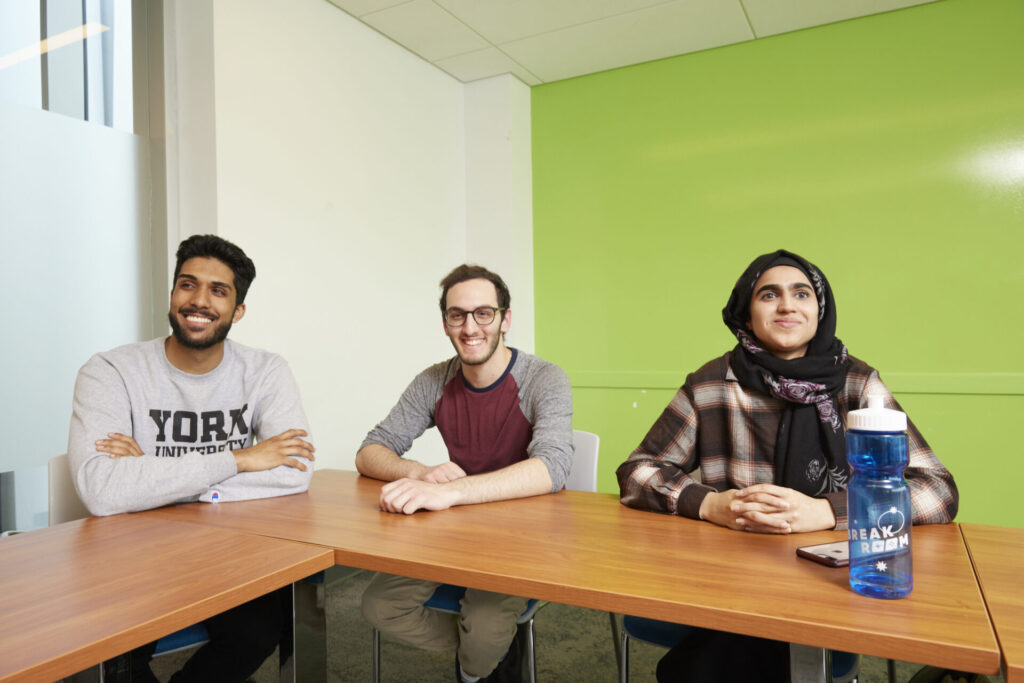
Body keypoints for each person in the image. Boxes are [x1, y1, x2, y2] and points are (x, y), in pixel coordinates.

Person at [616, 249, 958, 682]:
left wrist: (826, 511)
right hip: (735, 580)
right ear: (746, 311)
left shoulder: (857, 382)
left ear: (820, 309)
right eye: (768, 294)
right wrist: (711, 505)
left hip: (831, 582)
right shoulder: (710, 384)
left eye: (801, 293)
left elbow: (938, 489)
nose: (787, 305)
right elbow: (637, 471)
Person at [67, 234, 316, 682]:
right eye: (187, 284)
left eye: (218, 291)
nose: (198, 300)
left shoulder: (265, 371)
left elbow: (295, 471)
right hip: (132, 557)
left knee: (263, 627)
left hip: (226, 554)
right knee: (113, 651)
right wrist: (239, 458)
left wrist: (152, 477)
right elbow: (102, 491)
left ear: (238, 310)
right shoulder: (110, 371)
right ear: (172, 294)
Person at [357, 264, 574, 683]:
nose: (470, 326)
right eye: (457, 315)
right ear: (445, 323)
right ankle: (493, 648)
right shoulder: (434, 380)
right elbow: (370, 450)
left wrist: (452, 494)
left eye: (484, 313)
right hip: (453, 534)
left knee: (482, 640)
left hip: (524, 538)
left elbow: (552, 468)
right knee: (378, 606)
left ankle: (481, 658)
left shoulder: (544, 379)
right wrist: (420, 472)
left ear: (505, 319)